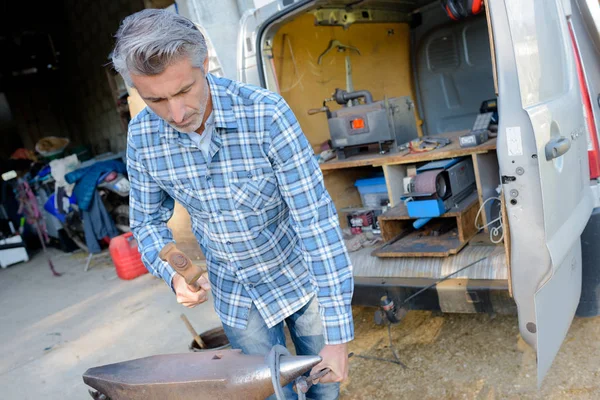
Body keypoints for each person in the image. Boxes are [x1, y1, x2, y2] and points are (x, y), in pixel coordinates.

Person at [112, 9, 354, 399]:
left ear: (203, 64)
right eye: (155, 99)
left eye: (183, 91)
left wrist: (339, 338)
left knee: (323, 391)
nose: (175, 114)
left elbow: (316, 224)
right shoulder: (142, 136)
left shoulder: (266, 114)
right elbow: (146, 223)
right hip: (238, 300)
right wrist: (178, 272)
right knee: (271, 394)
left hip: (300, 282)